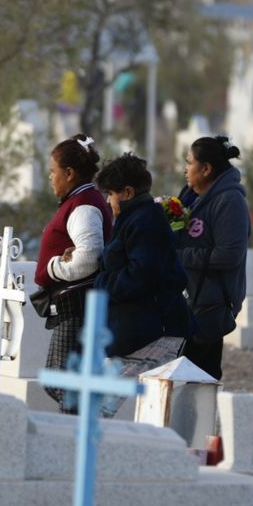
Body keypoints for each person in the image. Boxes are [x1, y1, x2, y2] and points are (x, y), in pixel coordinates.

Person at [36, 134, 112, 407]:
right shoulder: (80, 200)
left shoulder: (84, 206)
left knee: (63, 383)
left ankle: (80, 426)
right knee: (61, 381)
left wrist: (53, 267)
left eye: (53, 171)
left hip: (77, 305)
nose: (50, 177)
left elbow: (89, 258)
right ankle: (77, 424)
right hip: (73, 305)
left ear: (69, 173)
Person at [94, 153, 191, 358]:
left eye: (111, 194)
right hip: (135, 329)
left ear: (128, 192)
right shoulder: (133, 219)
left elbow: (140, 277)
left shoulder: (145, 222)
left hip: (150, 332)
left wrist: (101, 281)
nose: (108, 201)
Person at [175, 135, 250, 380]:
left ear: (206, 169)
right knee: (174, 381)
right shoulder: (189, 196)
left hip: (209, 307)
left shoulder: (230, 201)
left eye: (189, 162)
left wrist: (180, 256)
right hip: (185, 303)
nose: (185, 169)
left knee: (198, 381)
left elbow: (229, 255)